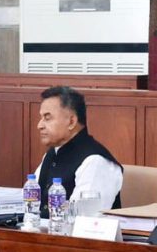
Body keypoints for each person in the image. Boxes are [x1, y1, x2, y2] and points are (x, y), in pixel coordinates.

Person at [34, 86, 122, 218]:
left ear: (71, 121)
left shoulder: (95, 161)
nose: (39, 125)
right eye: (41, 118)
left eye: (47, 118)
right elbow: (31, 202)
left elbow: (83, 217)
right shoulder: (52, 154)